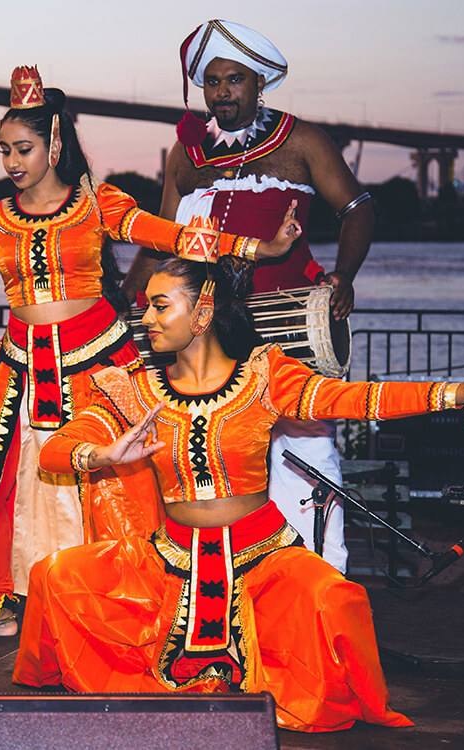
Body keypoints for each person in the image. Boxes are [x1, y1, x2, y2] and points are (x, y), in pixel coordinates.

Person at [0, 65, 301, 641]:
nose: (11, 162)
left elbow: (172, 236)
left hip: (97, 362)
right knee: (12, 487)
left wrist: (259, 247)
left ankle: (108, 603)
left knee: (109, 486)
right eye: (3, 149)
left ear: (55, 143)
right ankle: (16, 602)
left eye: (23, 148)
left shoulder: (97, 204)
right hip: (20, 368)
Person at [15, 255, 464, 731]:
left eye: (161, 306)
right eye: (146, 307)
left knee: (333, 599)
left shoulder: (266, 376)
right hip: (169, 560)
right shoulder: (133, 390)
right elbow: (53, 449)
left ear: (203, 311)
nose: (146, 319)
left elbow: (357, 399)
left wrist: (458, 394)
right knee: (56, 575)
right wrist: (104, 456)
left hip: (262, 558)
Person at [123, 20, 376, 572]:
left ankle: (319, 578)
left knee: (305, 445)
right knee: (220, 457)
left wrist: (344, 276)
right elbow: (161, 233)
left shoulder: (303, 141)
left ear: (259, 83)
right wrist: (126, 303)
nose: (222, 93)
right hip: (209, 331)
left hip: (284, 321)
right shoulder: (186, 154)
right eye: (212, 83)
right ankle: (233, 581)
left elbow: (357, 208)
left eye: (234, 80)